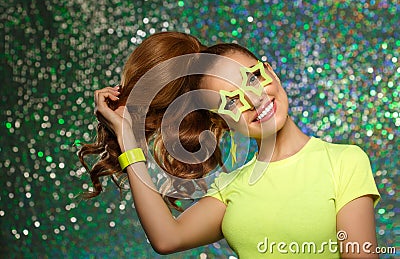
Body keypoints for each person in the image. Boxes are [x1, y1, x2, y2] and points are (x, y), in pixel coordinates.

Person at [79, 31, 380, 258]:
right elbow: (166, 238)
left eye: (253, 78)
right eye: (232, 101)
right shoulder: (231, 187)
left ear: (270, 71)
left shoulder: (344, 162)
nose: (254, 99)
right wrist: (127, 138)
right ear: (220, 122)